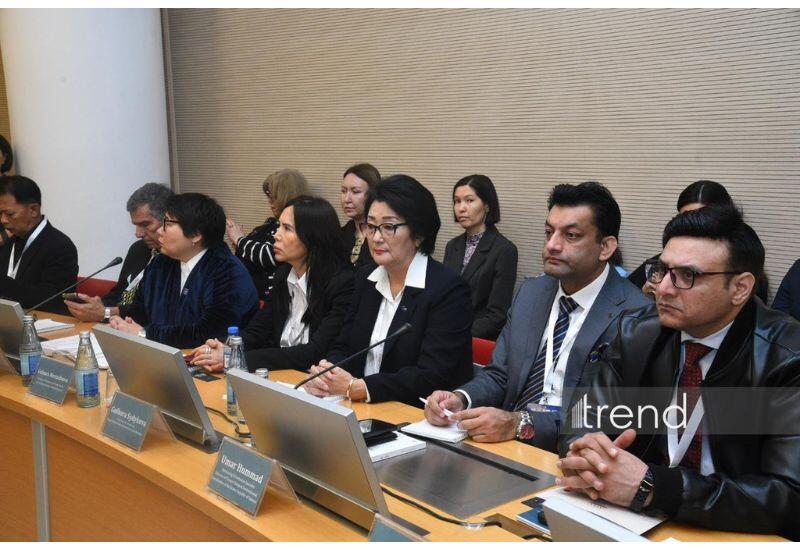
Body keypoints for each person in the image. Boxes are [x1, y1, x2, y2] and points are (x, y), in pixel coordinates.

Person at [557, 206, 800, 540]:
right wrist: (590, 457)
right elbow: (581, 422)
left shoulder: (786, 359)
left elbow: (788, 496)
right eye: (661, 270)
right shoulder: (636, 334)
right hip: (638, 521)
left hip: (737, 534)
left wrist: (656, 487)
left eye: (688, 276)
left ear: (741, 288)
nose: (663, 288)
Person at [424, 181, 650, 452]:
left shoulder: (636, 315)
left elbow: (608, 414)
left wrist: (522, 423)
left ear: (606, 247)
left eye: (571, 236)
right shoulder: (531, 293)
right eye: (548, 232)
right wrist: (461, 398)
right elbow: (499, 374)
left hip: (574, 455)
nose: (552, 245)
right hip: (506, 446)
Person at [305, 175, 473, 406]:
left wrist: (360, 388)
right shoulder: (366, 278)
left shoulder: (448, 289)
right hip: (360, 408)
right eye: (371, 226)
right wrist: (328, 373)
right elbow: (343, 345)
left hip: (414, 416)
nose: (375, 237)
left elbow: (431, 375)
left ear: (419, 233)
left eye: (388, 227)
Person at [190, 196, 354, 372]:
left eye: (287, 228)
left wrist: (237, 358)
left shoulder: (343, 284)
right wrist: (225, 348)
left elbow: (314, 352)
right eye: (279, 226)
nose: (276, 235)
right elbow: (257, 332)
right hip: (281, 376)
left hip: (314, 381)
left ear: (312, 237)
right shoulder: (283, 274)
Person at [109, 193, 258, 348]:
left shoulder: (228, 271)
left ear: (196, 234)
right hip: (158, 355)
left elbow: (210, 333)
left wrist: (144, 334)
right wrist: (121, 323)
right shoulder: (160, 263)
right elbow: (141, 311)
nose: (160, 230)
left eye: (168, 223)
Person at [65, 183, 173, 321]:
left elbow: (154, 309)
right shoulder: (138, 249)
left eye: (145, 225)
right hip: (116, 325)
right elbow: (120, 293)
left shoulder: (177, 257)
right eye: (136, 225)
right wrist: (94, 306)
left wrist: (106, 313)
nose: (138, 234)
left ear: (168, 219)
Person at [443, 174, 518, 340]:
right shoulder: (452, 246)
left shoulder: (504, 250)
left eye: (469, 200)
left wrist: (458, 335)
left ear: (487, 205)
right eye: (457, 201)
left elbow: (497, 315)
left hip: (476, 340)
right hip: (445, 332)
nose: (461, 208)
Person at [628, 180, 733, 291]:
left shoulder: (735, 267)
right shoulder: (658, 265)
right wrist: (645, 296)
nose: (691, 226)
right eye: (684, 218)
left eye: (702, 218)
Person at [225, 169, 310, 300]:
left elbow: (270, 255)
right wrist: (240, 245)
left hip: (270, 299)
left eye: (273, 196)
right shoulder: (269, 224)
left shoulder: (301, 225)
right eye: (269, 195)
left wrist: (239, 240)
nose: (269, 201)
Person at [0, 176, 78, 314]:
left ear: (33, 210)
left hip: (42, 326)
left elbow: (54, 301)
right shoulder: (8, 242)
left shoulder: (60, 246)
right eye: (0, 214)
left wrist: (4, 284)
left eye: (9, 214)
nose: (3, 220)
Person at [340, 163, 381, 269]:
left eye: (355, 192)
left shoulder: (381, 236)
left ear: (372, 194)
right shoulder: (339, 235)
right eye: (344, 191)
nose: (346, 199)